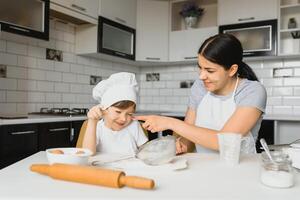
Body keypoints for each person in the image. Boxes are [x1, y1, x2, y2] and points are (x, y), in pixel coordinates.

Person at [134, 33, 267, 154]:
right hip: (202, 167)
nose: (202, 76)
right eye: (200, 68)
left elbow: (224, 141)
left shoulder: (252, 91)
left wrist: (170, 123)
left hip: (240, 171)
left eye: (210, 70)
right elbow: (188, 133)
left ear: (232, 70)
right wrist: (180, 144)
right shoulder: (200, 86)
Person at [83, 72, 148, 156]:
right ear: (104, 109)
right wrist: (92, 122)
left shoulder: (134, 126)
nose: (123, 119)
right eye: (118, 112)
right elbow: (88, 154)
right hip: (104, 169)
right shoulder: (98, 128)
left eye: (129, 114)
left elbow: (146, 152)